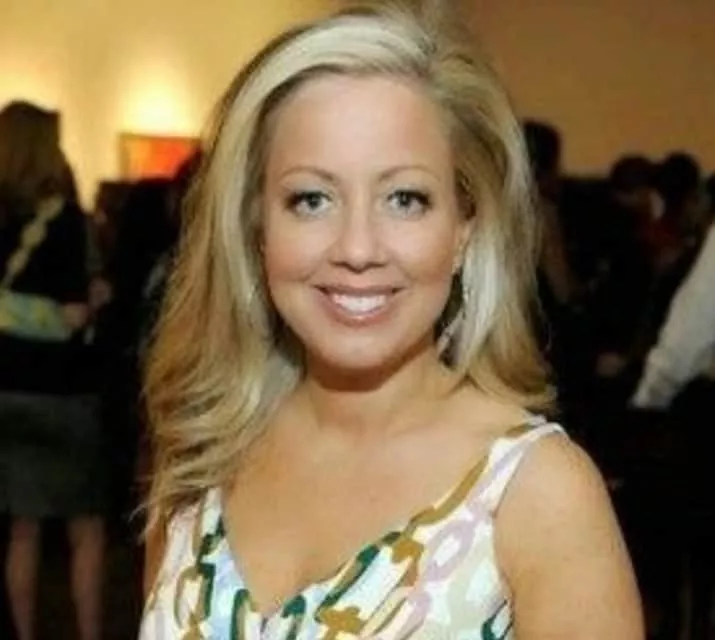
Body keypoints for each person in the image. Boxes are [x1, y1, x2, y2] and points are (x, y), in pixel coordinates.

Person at [140, 4, 643, 638]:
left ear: (463, 228)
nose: (357, 248)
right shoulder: (203, 456)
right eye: (311, 199)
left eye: (405, 199)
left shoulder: (537, 495)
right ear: (257, 226)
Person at [0, 101, 105, 640]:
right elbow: (72, 315)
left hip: (6, 390)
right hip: (64, 393)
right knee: (85, 529)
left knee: (23, 531)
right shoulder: (64, 220)